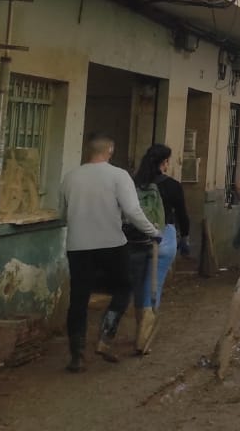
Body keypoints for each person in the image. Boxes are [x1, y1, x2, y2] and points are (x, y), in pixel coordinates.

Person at [59, 135, 160, 372]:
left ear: (88, 152)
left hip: (78, 245)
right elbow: (133, 211)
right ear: (110, 150)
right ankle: (106, 337)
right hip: (112, 244)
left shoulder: (70, 177)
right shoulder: (118, 176)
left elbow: (62, 214)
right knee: (123, 287)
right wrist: (153, 231)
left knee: (79, 298)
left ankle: (77, 355)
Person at [128, 143, 189, 354]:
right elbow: (182, 215)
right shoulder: (172, 185)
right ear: (164, 162)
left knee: (138, 286)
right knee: (154, 287)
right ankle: (143, 340)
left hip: (135, 240)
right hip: (163, 239)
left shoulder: (135, 183)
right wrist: (185, 238)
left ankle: (139, 329)